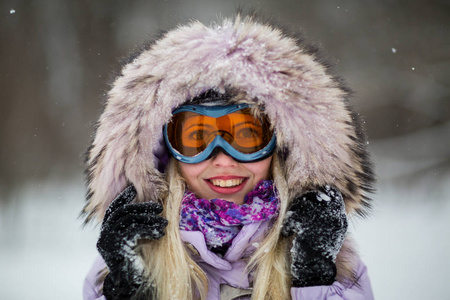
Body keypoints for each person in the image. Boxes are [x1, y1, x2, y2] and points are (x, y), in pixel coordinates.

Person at [82, 14, 375, 300]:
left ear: (280, 147)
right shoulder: (133, 258)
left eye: (247, 136)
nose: (223, 160)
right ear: (166, 153)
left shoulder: (322, 254)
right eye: (197, 138)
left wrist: (315, 282)